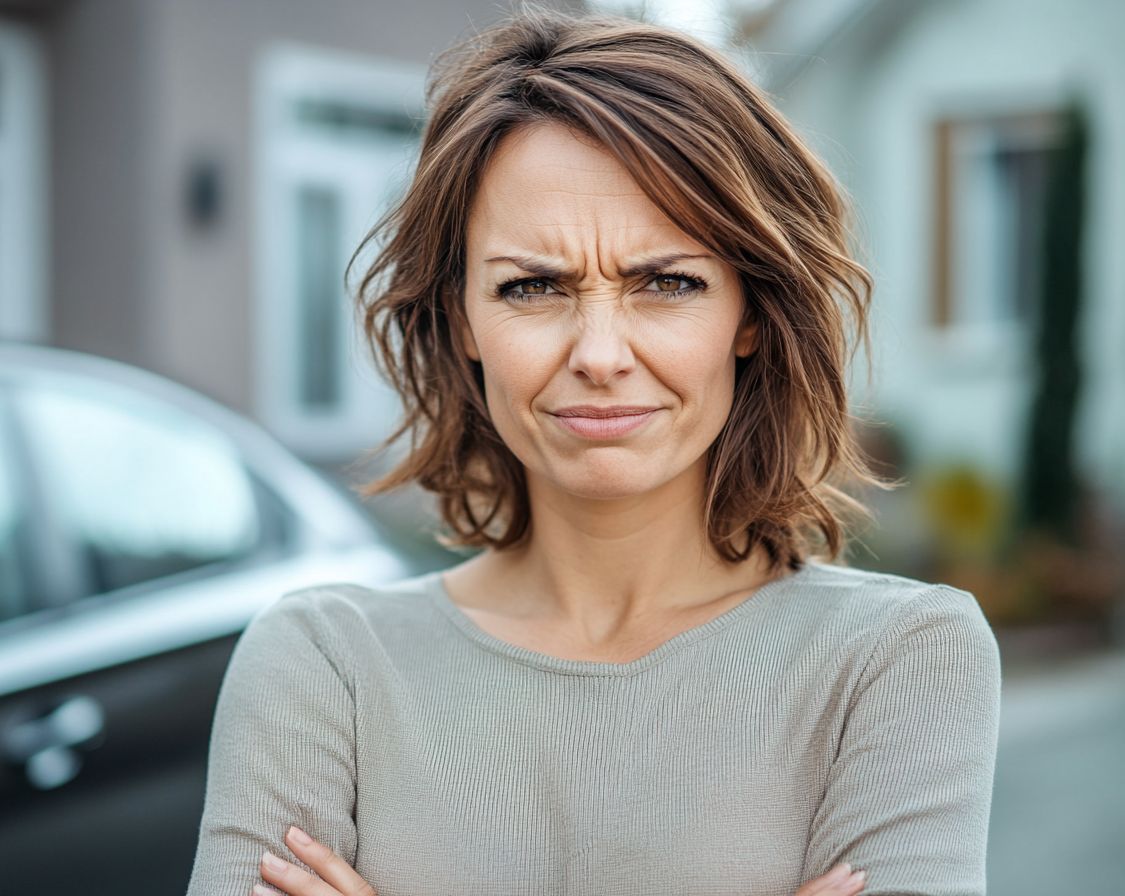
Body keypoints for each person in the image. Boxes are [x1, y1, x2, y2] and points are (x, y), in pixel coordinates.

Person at [187, 8, 1000, 896]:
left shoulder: (897, 660)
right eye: (533, 286)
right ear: (462, 318)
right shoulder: (322, 663)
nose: (600, 355)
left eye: (666, 283)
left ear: (752, 314)